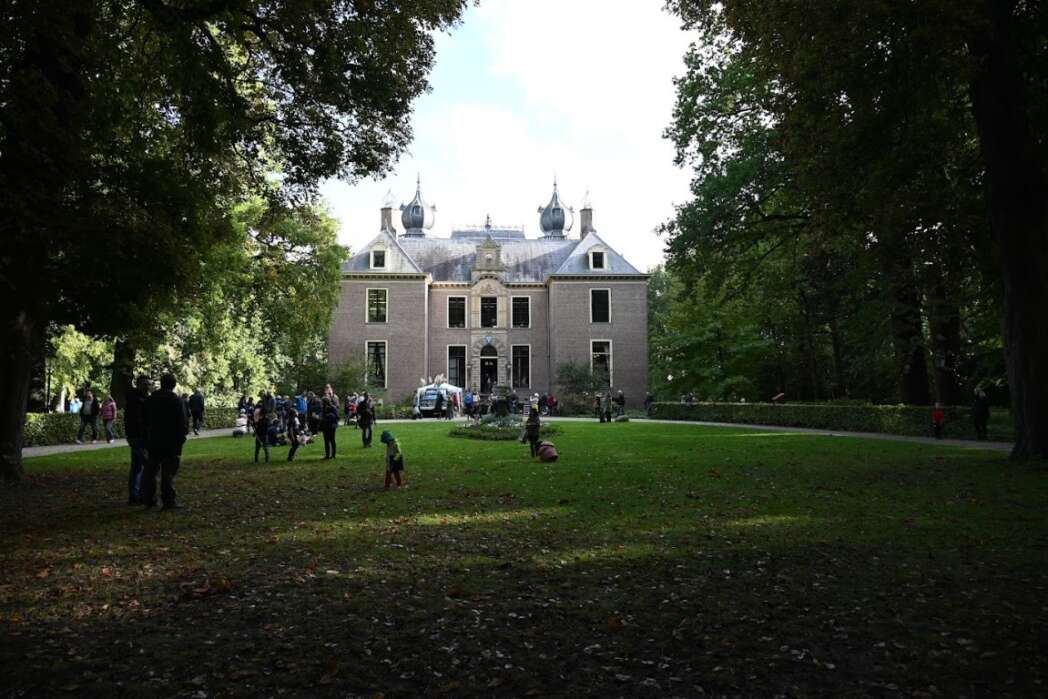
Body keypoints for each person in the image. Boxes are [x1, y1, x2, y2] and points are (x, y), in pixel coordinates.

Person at [143, 373, 189, 510]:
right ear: (173, 385)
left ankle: (150, 499)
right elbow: (182, 422)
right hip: (171, 441)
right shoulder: (176, 400)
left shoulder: (151, 399)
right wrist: (182, 438)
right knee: (168, 473)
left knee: (151, 471)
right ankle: (169, 500)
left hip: (154, 440)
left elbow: (144, 420)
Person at [124, 375, 150, 505]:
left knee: (137, 467)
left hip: (138, 436)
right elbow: (134, 420)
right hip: (138, 436)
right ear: (138, 385)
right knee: (145, 466)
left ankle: (135, 495)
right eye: (145, 384)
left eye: (148, 384)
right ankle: (140, 495)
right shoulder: (137, 400)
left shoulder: (138, 399)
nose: (147, 386)